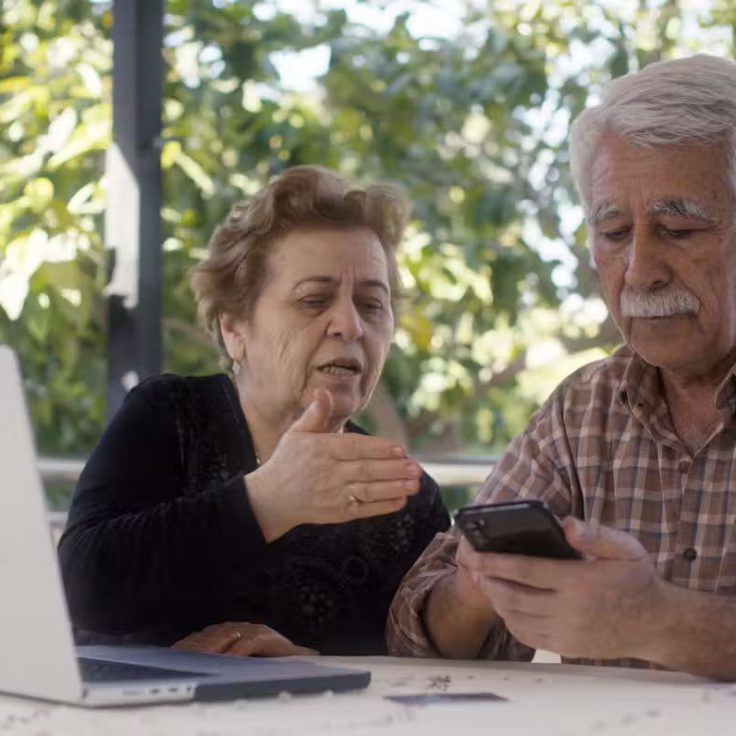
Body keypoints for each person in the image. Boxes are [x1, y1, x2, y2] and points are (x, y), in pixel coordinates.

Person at [387, 54, 736, 680]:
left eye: (679, 230)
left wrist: (657, 620)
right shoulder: (586, 410)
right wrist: (479, 587)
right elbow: (417, 633)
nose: (638, 271)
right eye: (613, 234)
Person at [59, 165, 449, 657]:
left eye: (372, 305)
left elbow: (419, 674)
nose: (349, 325)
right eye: (314, 300)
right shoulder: (171, 415)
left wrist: (309, 666)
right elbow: (82, 591)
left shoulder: (406, 496)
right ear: (234, 328)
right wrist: (267, 501)